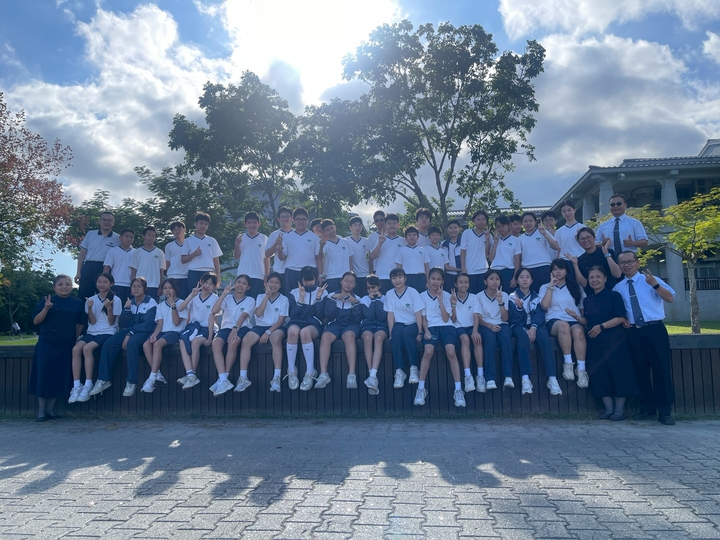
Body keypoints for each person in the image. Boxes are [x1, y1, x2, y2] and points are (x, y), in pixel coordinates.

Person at [614, 251, 676, 425]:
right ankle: (647, 408)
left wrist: (655, 285)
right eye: (623, 262)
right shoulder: (618, 288)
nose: (626, 265)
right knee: (639, 372)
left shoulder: (650, 280)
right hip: (633, 333)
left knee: (661, 370)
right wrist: (623, 320)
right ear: (619, 265)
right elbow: (618, 311)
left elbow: (670, 298)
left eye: (630, 261)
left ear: (637, 262)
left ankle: (665, 411)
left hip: (654, 329)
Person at [570, 266, 639, 420]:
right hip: (594, 341)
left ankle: (619, 411)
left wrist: (601, 327)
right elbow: (588, 322)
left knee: (619, 373)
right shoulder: (587, 300)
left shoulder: (614, 296)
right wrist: (576, 317)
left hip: (614, 340)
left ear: (605, 278)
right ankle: (608, 409)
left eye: (598, 277)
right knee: (599, 374)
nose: (594, 280)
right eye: (591, 277)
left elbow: (621, 317)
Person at [90, 277, 158, 398]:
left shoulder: (151, 302)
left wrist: (130, 334)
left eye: (139, 286)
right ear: (130, 289)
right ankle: (103, 379)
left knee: (131, 343)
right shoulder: (129, 302)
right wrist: (126, 309)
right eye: (134, 286)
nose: (136, 289)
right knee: (109, 343)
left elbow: (148, 325)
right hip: (130, 330)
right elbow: (123, 324)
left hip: (145, 331)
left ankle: (132, 381)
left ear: (145, 289)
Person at [30, 275, 85, 421]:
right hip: (46, 343)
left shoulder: (77, 302)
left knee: (59, 376)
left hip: (65, 344)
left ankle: (51, 410)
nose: (64, 287)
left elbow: (81, 323)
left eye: (67, 284)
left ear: (71, 286)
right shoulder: (47, 300)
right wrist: (46, 308)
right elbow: (36, 321)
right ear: (54, 287)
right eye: (60, 284)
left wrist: (74, 338)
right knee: (43, 376)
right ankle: (41, 411)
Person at [68, 273, 122, 403]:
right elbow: (92, 322)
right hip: (92, 332)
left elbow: (111, 323)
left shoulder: (116, 300)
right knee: (76, 349)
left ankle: (88, 384)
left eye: (105, 282)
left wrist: (109, 308)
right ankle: (76, 385)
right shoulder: (91, 299)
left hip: (107, 332)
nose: (102, 284)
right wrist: (90, 308)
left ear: (111, 284)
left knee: (87, 348)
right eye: (99, 282)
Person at [415, 268, 465, 407]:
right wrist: (425, 331)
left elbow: (446, 319)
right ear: (428, 279)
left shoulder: (447, 295)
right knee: (428, 351)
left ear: (442, 281)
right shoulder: (421, 296)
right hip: (431, 327)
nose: (435, 282)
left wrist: (441, 300)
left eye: (438, 279)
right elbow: (423, 318)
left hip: (447, 327)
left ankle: (458, 390)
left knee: (451, 352)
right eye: (433, 279)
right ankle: (420, 388)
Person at [508, 268, 562, 396]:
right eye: (521, 277)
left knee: (544, 337)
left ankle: (552, 379)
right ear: (517, 280)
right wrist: (520, 308)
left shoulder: (536, 296)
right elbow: (514, 319)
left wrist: (533, 327)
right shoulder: (511, 297)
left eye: (527, 277)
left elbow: (540, 315)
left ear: (532, 280)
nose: (524, 280)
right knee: (522, 338)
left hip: (535, 325)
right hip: (518, 326)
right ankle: (525, 379)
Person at [236, 272, 288, 393]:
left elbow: (280, 321)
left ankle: (276, 377)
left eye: (276, 283)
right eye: (271, 282)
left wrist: (268, 332)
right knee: (246, 340)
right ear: (266, 283)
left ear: (280, 285)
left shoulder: (284, 299)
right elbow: (258, 314)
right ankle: (243, 378)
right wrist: (266, 297)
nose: (273, 285)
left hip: (276, 327)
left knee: (275, 339)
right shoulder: (260, 297)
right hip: (260, 326)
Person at [539, 259, 588, 387]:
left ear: (566, 271)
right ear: (551, 272)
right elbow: (544, 306)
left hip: (574, 319)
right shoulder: (544, 287)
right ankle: (568, 363)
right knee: (563, 326)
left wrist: (579, 318)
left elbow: (582, 307)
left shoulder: (576, 286)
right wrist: (551, 286)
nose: (558, 272)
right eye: (555, 269)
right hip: (554, 320)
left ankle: (581, 369)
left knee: (579, 332)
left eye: (561, 269)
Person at [316, 272, 364, 390]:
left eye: (351, 282)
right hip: (335, 324)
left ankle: (351, 375)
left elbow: (357, 319)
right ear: (341, 281)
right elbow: (328, 315)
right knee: (325, 336)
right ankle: (323, 374)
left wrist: (355, 303)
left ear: (355, 285)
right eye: (346, 280)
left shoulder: (358, 299)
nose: (348, 284)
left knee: (349, 336)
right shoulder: (331, 295)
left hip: (351, 325)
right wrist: (333, 299)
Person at [210, 275, 256, 396]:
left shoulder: (250, 300)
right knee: (215, 343)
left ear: (248, 287)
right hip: (226, 328)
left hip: (242, 327)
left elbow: (244, 316)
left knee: (233, 342)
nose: (240, 285)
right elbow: (214, 310)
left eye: (244, 283)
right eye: (238, 282)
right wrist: (224, 293)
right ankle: (223, 379)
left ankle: (224, 378)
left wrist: (235, 329)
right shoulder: (228, 297)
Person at [141, 279, 188, 393]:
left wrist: (173, 306)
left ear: (176, 289)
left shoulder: (182, 303)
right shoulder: (160, 305)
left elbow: (177, 322)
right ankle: (157, 374)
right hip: (163, 332)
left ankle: (151, 378)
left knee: (157, 345)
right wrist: (154, 335)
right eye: (165, 288)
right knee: (146, 344)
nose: (167, 291)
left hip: (176, 332)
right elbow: (160, 324)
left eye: (170, 288)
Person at [286, 267, 329, 391]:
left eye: (311, 280)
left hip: (314, 323)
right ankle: (291, 370)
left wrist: (319, 298)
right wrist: (301, 298)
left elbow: (321, 315)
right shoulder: (294, 292)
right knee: (293, 332)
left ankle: (310, 371)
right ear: (301, 280)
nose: (308, 283)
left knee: (305, 333)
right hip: (297, 321)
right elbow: (293, 314)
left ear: (316, 279)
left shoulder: (323, 292)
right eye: (306, 280)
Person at [177, 273, 218, 390]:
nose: (207, 286)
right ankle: (190, 374)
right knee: (182, 342)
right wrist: (192, 294)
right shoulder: (194, 296)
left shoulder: (215, 298)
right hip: (193, 327)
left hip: (206, 329)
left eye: (211, 284)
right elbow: (180, 308)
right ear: (201, 282)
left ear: (214, 286)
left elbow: (211, 319)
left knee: (195, 342)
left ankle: (191, 375)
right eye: (205, 282)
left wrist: (209, 337)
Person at [385, 267, 424, 389]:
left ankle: (414, 368)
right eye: (394, 278)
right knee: (396, 335)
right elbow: (390, 314)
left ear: (405, 278)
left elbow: (418, 313)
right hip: (399, 324)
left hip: (412, 323)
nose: (397, 280)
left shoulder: (413, 292)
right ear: (391, 280)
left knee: (406, 334)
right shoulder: (389, 294)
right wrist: (391, 333)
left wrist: (420, 332)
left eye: (400, 277)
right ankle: (399, 371)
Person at [475, 270, 512, 391]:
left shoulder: (504, 295)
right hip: (486, 325)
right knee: (489, 340)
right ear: (485, 281)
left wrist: (500, 302)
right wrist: (489, 326)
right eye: (491, 279)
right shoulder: (478, 296)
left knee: (506, 339)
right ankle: (490, 378)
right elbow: (478, 318)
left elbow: (505, 318)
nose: (495, 282)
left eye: (497, 279)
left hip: (501, 324)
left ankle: (508, 376)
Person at [75, 211, 120, 301]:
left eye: (109, 220)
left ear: (113, 223)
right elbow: (82, 254)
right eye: (104, 220)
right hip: (88, 267)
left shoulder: (118, 238)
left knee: (104, 297)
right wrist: (78, 272)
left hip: (105, 268)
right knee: (84, 296)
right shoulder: (90, 234)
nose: (106, 222)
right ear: (99, 221)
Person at [450, 273, 484, 393]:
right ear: (455, 284)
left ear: (469, 284)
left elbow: (476, 316)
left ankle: (480, 375)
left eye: (466, 282)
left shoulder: (474, 297)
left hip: (472, 326)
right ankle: (468, 375)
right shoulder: (451, 297)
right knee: (465, 339)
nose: (463, 285)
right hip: (459, 326)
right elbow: (453, 319)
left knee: (477, 340)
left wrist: (475, 331)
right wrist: (453, 304)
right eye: (460, 282)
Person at [277, 208, 324, 293]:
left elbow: (319, 258)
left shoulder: (314, 237)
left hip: (310, 272)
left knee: (310, 298)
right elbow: (282, 258)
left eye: (303, 219)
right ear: (293, 220)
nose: (301, 222)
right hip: (291, 271)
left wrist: (320, 275)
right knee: (291, 298)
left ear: (307, 221)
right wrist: (279, 250)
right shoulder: (287, 237)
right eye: (298, 219)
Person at [568, 227, 622, 295]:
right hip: (592, 295)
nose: (586, 240)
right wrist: (575, 265)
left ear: (594, 238)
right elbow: (584, 284)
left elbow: (617, 274)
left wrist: (607, 255)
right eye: (582, 238)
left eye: (588, 237)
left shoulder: (608, 252)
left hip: (612, 293)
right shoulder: (580, 260)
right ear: (578, 242)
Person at [596, 194, 649, 261]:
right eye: (612, 205)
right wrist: (602, 244)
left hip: (628, 260)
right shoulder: (603, 226)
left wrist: (633, 243)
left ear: (625, 205)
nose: (615, 206)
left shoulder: (634, 223)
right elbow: (595, 245)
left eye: (619, 204)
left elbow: (645, 242)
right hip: (609, 260)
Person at [514, 212, 557, 293]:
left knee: (546, 292)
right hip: (528, 269)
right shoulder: (520, 239)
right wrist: (515, 275)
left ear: (535, 222)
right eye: (525, 221)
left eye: (530, 221)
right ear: (522, 223)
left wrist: (545, 234)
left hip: (544, 267)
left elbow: (556, 246)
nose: (528, 223)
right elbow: (518, 258)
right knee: (531, 294)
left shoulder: (542, 232)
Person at [359, 275, 388, 395]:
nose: (371, 290)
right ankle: (372, 376)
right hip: (368, 325)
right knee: (367, 338)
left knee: (378, 338)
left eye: (373, 287)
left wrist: (378, 301)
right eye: (368, 288)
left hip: (382, 325)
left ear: (379, 286)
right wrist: (372, 302)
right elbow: (369, 316)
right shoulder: (364, 299)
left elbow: (382, 316)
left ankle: (372, 375)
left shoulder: (385, 298)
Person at [181, 212, 223, 287]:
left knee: (209, 292)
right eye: (201, 223)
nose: (203, 226)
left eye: (206, 224)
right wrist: (194, 254)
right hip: (194, 271)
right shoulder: (188, 240)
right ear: (195, 224)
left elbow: (216, 260)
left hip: (209, 271)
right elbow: (183, 260)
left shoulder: (212, 240)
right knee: (194, 293)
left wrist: (218, 276)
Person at [234, 212, 269, 299]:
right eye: (249, 222)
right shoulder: (241, 238)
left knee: (258, 302)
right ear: (245, 224)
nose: (252, 225)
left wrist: (267, 275)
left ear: (259, 224)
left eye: (254, 222)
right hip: (243, 275)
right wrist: (237, 244)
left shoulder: (264, 238)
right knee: (242, 301)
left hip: (259, 275)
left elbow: (267, 258)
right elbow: (236, 256)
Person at [369, 213, 406, 293]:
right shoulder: (380, 239)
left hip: (397, 278)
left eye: (394, 223)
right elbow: (372, 256)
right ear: (385, 225)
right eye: (389, 223)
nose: (392, 225)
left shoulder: (403, 241)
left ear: (398, 225)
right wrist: (380, 243)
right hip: (382, 276)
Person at [130, 226, 166, 299]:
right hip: (139, 286)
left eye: (153, 236)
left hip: (154, 286)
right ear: (144, 236)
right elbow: (134, 271)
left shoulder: (159, 252)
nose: (151, 238)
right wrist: (132, 286)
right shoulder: (137, 252)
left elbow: (161, 271)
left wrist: (161, 287)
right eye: (149, 235)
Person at [460, 210, 492, 294]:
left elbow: (487, 255)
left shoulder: (489, 236)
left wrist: (487, 239)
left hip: (483, 270)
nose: (481, 222)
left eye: (483, 219)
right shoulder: (467, 233)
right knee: (470, 295)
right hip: (469, 270)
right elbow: (462, 252)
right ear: (473, 221)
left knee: (482, 295)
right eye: (478, 219)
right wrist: (463, 268)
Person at [103, 228, 135, 305]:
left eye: (131, 237)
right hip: (116, 284)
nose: (129, 239)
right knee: (115, 308)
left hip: (131, 286)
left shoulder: (136, 252)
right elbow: (107, 268)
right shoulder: (113, 251)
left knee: (129, 308)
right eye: (127, 236)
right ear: (120, 237)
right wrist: (106, 283)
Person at [265, 207, 294, 293]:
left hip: (294, 271)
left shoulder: (297, 234)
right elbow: (267, 254)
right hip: (279, 272)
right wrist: (276, 244)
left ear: (292, 218)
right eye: (283, 217)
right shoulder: (274, 235)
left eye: (287, 216)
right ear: (278, 219)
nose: (285, 219)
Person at [554, 200, 585, 280]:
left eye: (569, 210)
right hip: (565, 262)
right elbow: (558, 248)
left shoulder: (583, 228)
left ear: (574, 210)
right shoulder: (559, 231)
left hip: (581, 259)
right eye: (564, 211)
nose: (567, 213)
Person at [489, 215, 520, 291]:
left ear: (509, 225)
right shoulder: (494, 240)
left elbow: (517, 260)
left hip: (509, 271)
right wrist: (495, 243)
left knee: (508, 295)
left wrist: (515, 277)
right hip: (495, 271)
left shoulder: (515, 240)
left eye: (503, 226)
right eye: (498, 227)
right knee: (495, 295)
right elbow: (490, 258)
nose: (501, 228)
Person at [395, 226, 430, 293]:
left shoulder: (422, 250)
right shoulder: (401, 250)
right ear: (405, 237)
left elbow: (426, 267)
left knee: (420, 296)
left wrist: (428, 281)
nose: (412, 237)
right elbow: (399, 267)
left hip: (420, 277)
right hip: (407, 277)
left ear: (418, 237)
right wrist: (399, 280)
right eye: (409, 235)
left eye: (414, 235)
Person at [320, 219, 352, 293]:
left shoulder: (345, 242)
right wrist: (321, 246)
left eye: (332, 228)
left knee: (347, 297)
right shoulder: (324, 244)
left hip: (345, 276)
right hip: (331, 277)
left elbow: (350, 259)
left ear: (335, 227)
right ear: (324, 232)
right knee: (333, 297)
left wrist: (351, 274)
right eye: (327, 230)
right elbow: (321, 257)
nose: (331, 231)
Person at [165, 221, 190, 300]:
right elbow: (167, 262)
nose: (177, 231)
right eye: (174, 230)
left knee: (184, 301)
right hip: (172, 276)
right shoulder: (169, 246)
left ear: (184, 229)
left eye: (179, 229)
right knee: (170, 300)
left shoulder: (190, 244)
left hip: (186, 276)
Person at [347, 216, 371, 297]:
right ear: (350, 227)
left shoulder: (366, 241)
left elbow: (370, 257)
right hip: (353, 275)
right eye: (355, 225)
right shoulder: (346, 241)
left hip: (365, 273)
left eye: (359, 225)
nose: (357, 227)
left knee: (366, 298)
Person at [442, 219, 462, 293]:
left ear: (459, 229)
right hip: (448, 275)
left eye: (455, 228)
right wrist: (460, 269)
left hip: (461, 275)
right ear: (447, 230)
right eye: (450, 228)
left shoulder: (464, 243)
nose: (453, 230)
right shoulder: (443, 244)